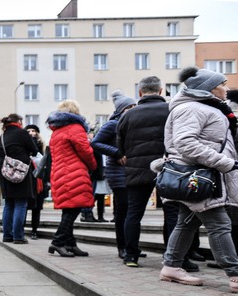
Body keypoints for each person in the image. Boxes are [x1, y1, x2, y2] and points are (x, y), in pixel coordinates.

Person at [157, 66, 238, 294]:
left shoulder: (201, 107)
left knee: (186, 222)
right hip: (198, 177)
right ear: (209, 88)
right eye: (223, 84)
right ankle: (237, 274)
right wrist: (223, 162)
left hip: (199, 176)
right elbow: (185, 143)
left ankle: (171, 266)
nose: (227, 88)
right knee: (220, 224)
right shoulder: (192, 108)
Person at [116, 76, 180, 269]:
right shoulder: (172, 110)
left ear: (140, 92)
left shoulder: (128, 115)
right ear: (161, 91)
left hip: (137, 169)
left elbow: (120, 144)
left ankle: (131, 255)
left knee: (134, 213)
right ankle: (171, 256)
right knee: (172, 213)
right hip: (168, 168)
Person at [45, 100, 96, 257]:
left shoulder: (57, 131)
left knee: (69, 208)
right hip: (74, 172)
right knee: (73, 210)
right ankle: (57, 242)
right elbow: (85, 151)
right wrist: (93, 166)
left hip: (60, 173)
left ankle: (70, 244)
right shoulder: (75, 128)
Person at [209, 88, 238, 270]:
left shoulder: (232, 133)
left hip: (231, 181)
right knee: (233, 225)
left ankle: (236, 260)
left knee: (229, 225)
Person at [91, 91, 136, 258]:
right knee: (122, 211)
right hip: (117, 173)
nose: (132, 109)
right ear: (121, 110)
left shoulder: (132, 123)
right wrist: (116, 153)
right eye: (129, 107)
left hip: (132, 172)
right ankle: (122, 247)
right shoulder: (112, 124)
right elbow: (95, 143)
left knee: (132, 212)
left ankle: (132, 246)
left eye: (134, 106)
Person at [0, 114, 38, 244]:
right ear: (18, 122)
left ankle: (7, 235)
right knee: (21, 203)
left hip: (5, 173)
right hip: (21, 172)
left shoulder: (2, 136)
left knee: (9, 204)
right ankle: (18, 236)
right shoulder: (22, 133)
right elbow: (34, 150)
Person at [25, 124, 47, 240]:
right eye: (28, 131)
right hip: (27, 180)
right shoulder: (23, 145)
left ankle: (34, 230)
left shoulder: (41, 146)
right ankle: (20, 229)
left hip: (39, 181)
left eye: (33, 131)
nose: (31, 133)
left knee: (36, 208)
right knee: (23, 207)